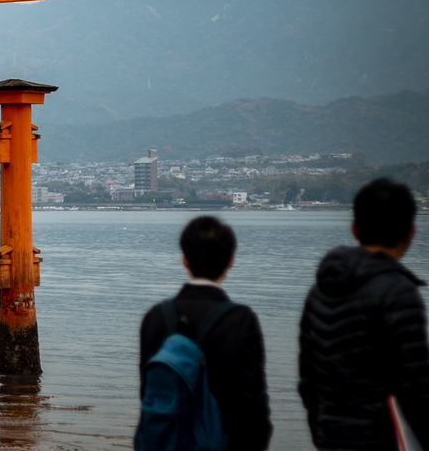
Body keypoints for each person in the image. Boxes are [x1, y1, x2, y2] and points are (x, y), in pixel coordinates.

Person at [299, 177, 429, 449]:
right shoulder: (399, 293)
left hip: (330, 435)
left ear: (354, 227)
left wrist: (321, 428)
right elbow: (415, 388)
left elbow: (308, 378)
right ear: (411, 232)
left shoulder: (321, 289)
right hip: (380, 437)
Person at [138, 215, 272, 451]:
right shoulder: (241, 320)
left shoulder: (155, 318)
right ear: (230, 261)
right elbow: (254, 406)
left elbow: (147, 393)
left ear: (184, 259)